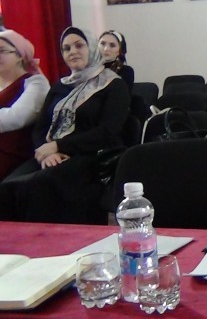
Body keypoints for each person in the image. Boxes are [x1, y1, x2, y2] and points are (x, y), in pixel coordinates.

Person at [0, 27, 130, 223]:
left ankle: (49, 238)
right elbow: (41, 128)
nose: (72, 52)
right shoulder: (61, 86)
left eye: (79, 46)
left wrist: (58, 146)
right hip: (52, 153)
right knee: (8, 185)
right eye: (66, 48)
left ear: (91, 48)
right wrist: (47, 152)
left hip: (91, 154)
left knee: (39, 185)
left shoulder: (113, 85)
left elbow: (108, 131)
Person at [0, 31, 50, 181]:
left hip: (15, 156)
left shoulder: (36, 83)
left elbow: (18, 117)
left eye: (2, 51)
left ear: (20, 55)